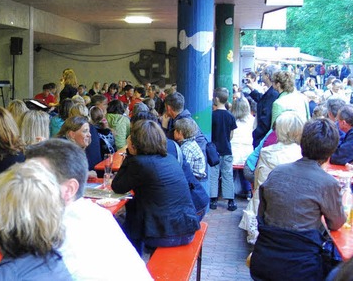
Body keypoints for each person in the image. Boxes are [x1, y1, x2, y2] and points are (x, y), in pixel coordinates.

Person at [26, 139, 153, 280]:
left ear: (69, 189)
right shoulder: (95, 213)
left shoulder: (59, 231)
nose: (24, 186)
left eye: (36, 179)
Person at [250, 118, 346, 280]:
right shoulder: (327, 183)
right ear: (331, 151)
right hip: (302, 268)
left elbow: (263, 214)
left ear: (302, 143)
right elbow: (336, 222)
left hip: (264, 259)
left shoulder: (277, 172)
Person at [111, 120, 200, 256]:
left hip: (166, 233)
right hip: (187, 226)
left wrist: (129, 154)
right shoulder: (170, 158)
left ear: (135, 143)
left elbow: (117, 186)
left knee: (120, 225)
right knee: (134, 209)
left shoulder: (139, 162)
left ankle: (134, 263)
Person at [239, 111, 305, 244]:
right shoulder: (302, 155)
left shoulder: (267, 153)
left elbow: (259, 183)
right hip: (294, 214)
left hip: (265, 209)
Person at [209, 88, 238, 211]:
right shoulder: (230, 116)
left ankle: (213, 199)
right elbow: (231, 135)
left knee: (214, 174)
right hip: (226, 149)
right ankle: (230, 200)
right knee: (227, 174)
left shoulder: (212, 116)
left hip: (214, 151)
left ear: (215, 99)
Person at [246, 65, 280, 148]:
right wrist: (253, 91)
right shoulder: (271, 92)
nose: (262, 76)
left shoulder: (273, 93)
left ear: (267, 76)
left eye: (263, 74)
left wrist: (256, 133)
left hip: (263, 136)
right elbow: (263, 100)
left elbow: (266, 117)